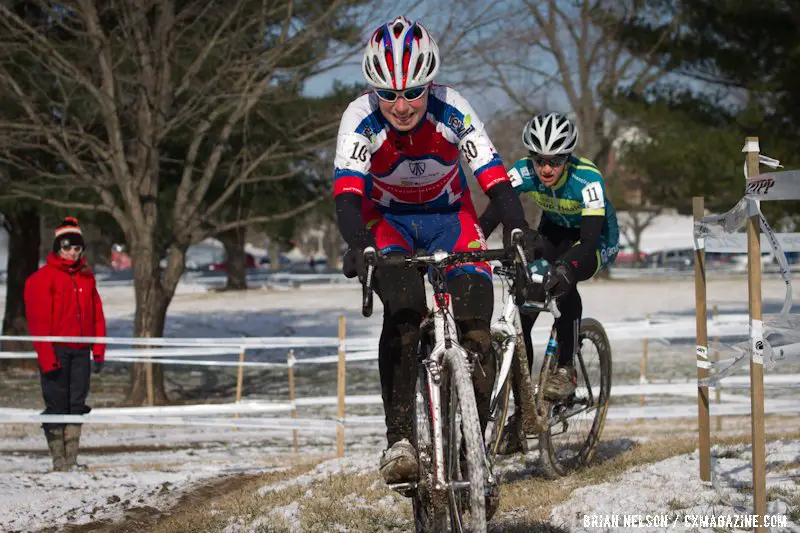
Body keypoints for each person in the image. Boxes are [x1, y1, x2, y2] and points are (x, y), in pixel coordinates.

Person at [334, 16, 540, 484]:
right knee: (404, 314)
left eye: (413, 92)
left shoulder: (453, 108)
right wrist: (361, 246)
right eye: (389, 94)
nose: (402, 105)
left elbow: (493, 176)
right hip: (387, 224)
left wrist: (516, 228)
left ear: (431, 84)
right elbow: (347, 196)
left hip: (452, 220)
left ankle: (471, 443)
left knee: (477, 331)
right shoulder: (359, 118)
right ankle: (400, 439)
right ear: (374, 91)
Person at [479, 113, 619, 450]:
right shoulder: (525, 171)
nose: (546, 169)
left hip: (594, 237)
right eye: (540, 160)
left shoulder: (588, 179)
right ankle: (524, 408)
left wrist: (567, 269)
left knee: (562, 280)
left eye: (555, 161)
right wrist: (475, 246)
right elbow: (496, 208)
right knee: (527, 300)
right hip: (555, 230)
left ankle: (567, 369)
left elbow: (586, 244)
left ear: (567, 159)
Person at [24, 217, 107, 472]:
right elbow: (38, 323)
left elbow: (97, 314)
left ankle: (71, 458)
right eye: (67, 247)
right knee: (57, 403)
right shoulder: (42, 279)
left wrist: (98, 350)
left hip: (81, 350)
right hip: (57, 350)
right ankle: (58, 459)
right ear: (58, 248)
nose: (72, 252)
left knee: (76, 403)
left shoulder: (86, 278)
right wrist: (48, 358)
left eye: (77, 248)